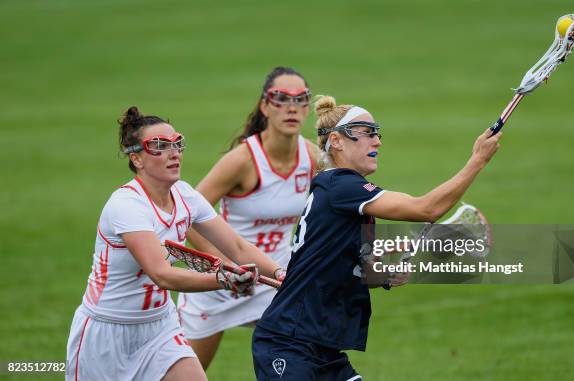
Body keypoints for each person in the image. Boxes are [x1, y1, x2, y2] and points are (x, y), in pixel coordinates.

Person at [252, 95, 502, 380]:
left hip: (322, 348)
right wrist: (478, 160)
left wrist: (382, 275)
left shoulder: (343, 194)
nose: (377, 141)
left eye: (377, 133)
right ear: (336, 141)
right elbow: (427, 208)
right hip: (289, 344)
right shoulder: (342, 186)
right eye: (367, 133)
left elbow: (350, 266)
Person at [65, 106, 284, 381]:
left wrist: (280, 273)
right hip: (106, 332)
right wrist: (223, 279)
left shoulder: (184, 195)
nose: (174, 153)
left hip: (160, 328)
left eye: (177, 143)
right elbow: (162, 274)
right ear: (137, 159)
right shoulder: (126, 205)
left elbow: (237, 247)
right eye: (159, 146)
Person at [177, 67, 320, 370]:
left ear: (308, 107)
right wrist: (224, 267)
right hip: (220, 284)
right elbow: (188, 214)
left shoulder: (312, 158)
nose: (291, 107)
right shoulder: (242, 160)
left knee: (306, 363)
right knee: (185, 375)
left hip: (273, 279)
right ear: (265, 106)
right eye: (280, 99)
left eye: (300, 99)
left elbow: (338, 209)